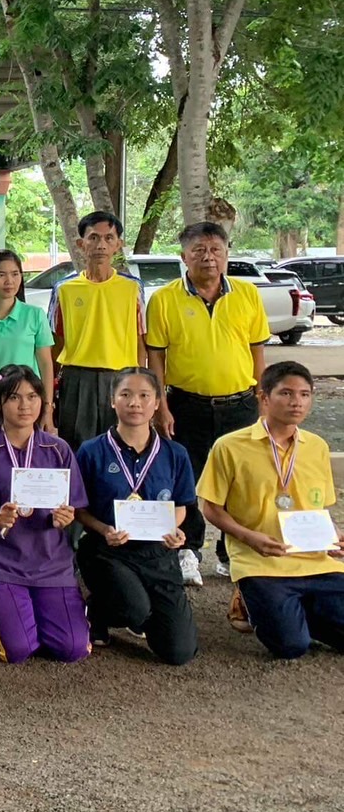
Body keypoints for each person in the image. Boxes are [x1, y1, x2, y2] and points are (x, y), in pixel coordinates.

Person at [146, 221, 269, 586]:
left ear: (227, 254)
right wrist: (161, 406)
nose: (209, 257)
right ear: (184, 256)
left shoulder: (247, 294)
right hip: (186, 405)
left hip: (241, 404)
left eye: (216, 250)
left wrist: (263, 400)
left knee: (240, 481)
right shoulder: (164, 299)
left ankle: (231, 553)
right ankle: (188, 550)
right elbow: (156, 358)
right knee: (187, 480)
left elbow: (257, 351)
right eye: (199, 250)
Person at [199, 361, 344, 659]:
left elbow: (319, 507)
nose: (297, 402)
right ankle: (252, 599)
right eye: (286, 393)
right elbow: (210, 507)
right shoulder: (230, 447)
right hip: (260, 561)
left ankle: (295, 609)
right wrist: (249, 537)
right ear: (264, 397)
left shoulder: (316, 446)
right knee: (290, 646)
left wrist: (333, 536)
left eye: (305, 394)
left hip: (316, 560)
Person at [0, 365, 90, 664]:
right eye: (14, 397)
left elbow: (73, 507)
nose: (25, 405)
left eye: (32, 397)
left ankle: (39, 613)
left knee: (72, 649)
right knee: (17, 650)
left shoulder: (58, 449)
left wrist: (65, 518)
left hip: (49, 561)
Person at [74, 369, 197, 665]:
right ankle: (98, 610)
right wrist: (104, 530)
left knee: (179, 652)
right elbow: (78, 509)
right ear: (112, 400)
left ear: (157, 402)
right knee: (134, 610)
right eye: (126, 395)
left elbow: (181, 505)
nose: (135, 403)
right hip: (108, 551)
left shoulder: (175, 453)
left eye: (144, 395)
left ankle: (146, 612)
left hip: (157, 554)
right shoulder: (91, 451)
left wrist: (173, 529)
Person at [49, 210, 146, 450]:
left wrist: (142, 384)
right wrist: (50, 394)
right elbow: (55, 343)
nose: (101, 245)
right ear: (81, 244)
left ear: (118, 244)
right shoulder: (64, 289)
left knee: (121, 446)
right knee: (77, 447)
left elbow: (140, 340)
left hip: (121, 378)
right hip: (77, 380)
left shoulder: (132, 288)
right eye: (93, 237)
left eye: (108, 238)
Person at [0, 250, 55, 431]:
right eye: (1, 275)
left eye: (15, 274)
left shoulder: (35, 315)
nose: (9, 281)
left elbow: (46, 365)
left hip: (27, 397)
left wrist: (48, 406)